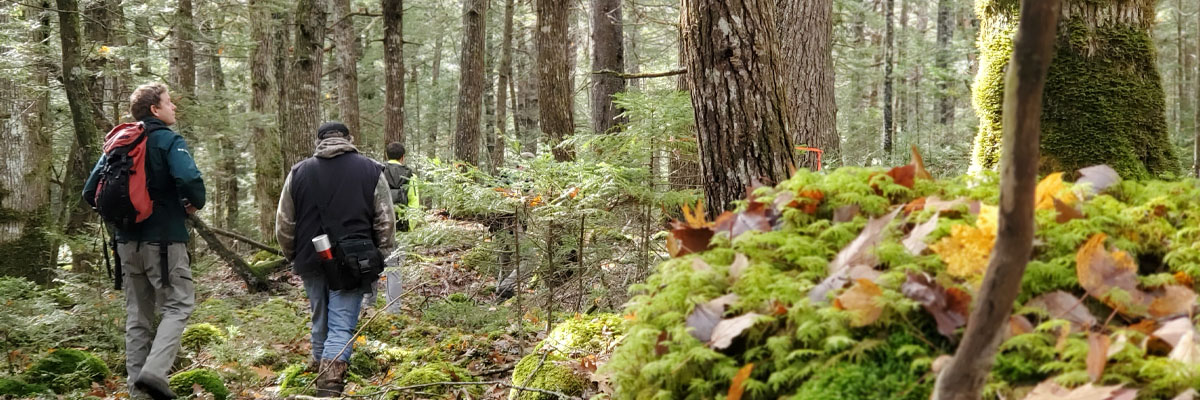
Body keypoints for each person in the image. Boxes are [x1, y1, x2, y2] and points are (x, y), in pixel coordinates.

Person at [83, 83, 206, 400]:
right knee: (179, 305)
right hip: (165, 241)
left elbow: (89, 192)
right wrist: (193, 202)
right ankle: (154, 371)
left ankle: (137, 393)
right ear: (155, 109)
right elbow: (190, 179)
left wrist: (123, 219)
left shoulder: (119, 143)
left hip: (126, 243)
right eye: (169, 102)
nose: (173, 107)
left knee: (137, 317)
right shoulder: (168, 140)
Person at [275, 121, 395, 396]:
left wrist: (294, 256)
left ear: (319, 142)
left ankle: (318, 364)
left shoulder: (299, 172)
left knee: (320, 318)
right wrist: (382, 255)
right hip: (355, 260)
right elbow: (385, 219)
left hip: (310, 257)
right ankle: (329, 383)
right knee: (341, 321)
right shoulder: (371, 169)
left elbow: (283, 224)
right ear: (348, 139)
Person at [383, 142, 419, 232]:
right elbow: (414, 202)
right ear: (402, 157)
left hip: (382, 223)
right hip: (403, 224)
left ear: (387, 156)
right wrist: (410, 227)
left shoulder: (378, 172)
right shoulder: (410, 176)